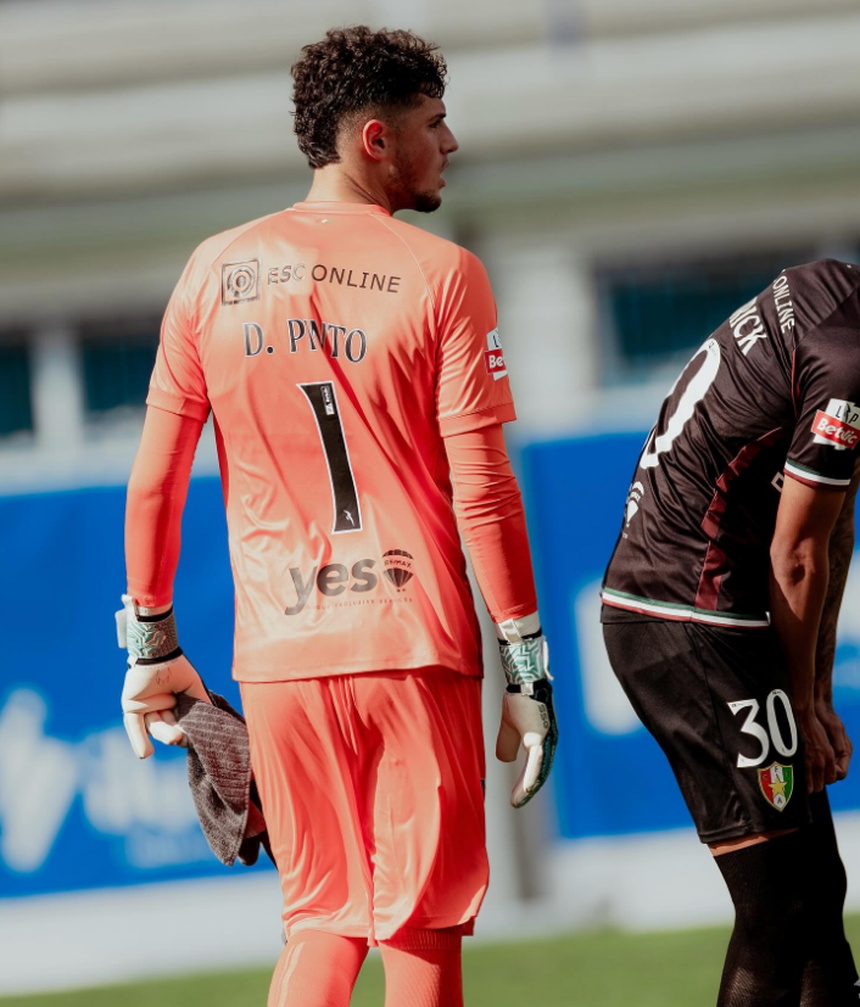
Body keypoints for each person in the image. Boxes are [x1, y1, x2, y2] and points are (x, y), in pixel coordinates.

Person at [118, 26, 557, 1007]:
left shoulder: (211, 269)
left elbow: (154, 476)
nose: (450, 143)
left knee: (320, 921)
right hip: (413, 643)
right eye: (433, 123)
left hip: (280, 653)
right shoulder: (444, 274)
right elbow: (483, 486)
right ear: (372, 137)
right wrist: (526, 665)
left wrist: (151, 641)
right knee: (418, 932)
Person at [602, 258, 860, 1005]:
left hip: (705, 609)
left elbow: (830, 523)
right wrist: (801, 702)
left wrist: (810, 690)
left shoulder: (831, 290)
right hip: (688, 619)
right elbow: (798, 553)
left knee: (816, 889)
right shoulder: (849, 363)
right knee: (777, 909)